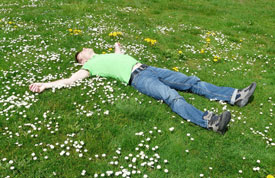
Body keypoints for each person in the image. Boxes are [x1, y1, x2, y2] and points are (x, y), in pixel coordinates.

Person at [29, 42, 256, 134]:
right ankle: (210, 121)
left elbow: (119, 56)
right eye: (82, 54)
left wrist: (118, 47)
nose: (86, 50)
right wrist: (45, 85)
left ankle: (235, 96)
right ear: (82, 61)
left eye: (85, 50)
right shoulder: (89, 67)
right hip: (138, 79)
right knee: (171, 96)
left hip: (149, 68)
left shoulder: (104, 55)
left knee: (190, 81)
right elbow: (70, 80)